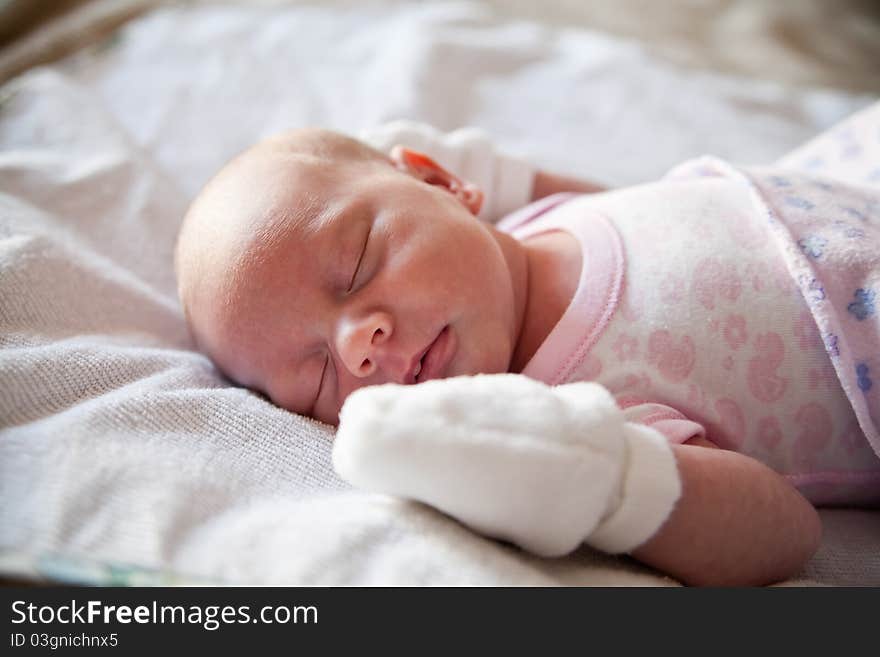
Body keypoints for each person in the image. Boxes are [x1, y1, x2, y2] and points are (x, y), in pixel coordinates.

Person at [175, 103, 880, 586]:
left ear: (442, 183)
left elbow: (630, 198)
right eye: (318, 373)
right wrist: (613, 479)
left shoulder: (539, 221)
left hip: (833, 183)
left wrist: (461, 169)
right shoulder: (572, 406)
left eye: (358, 258)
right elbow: (783, 532)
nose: (359, 344)